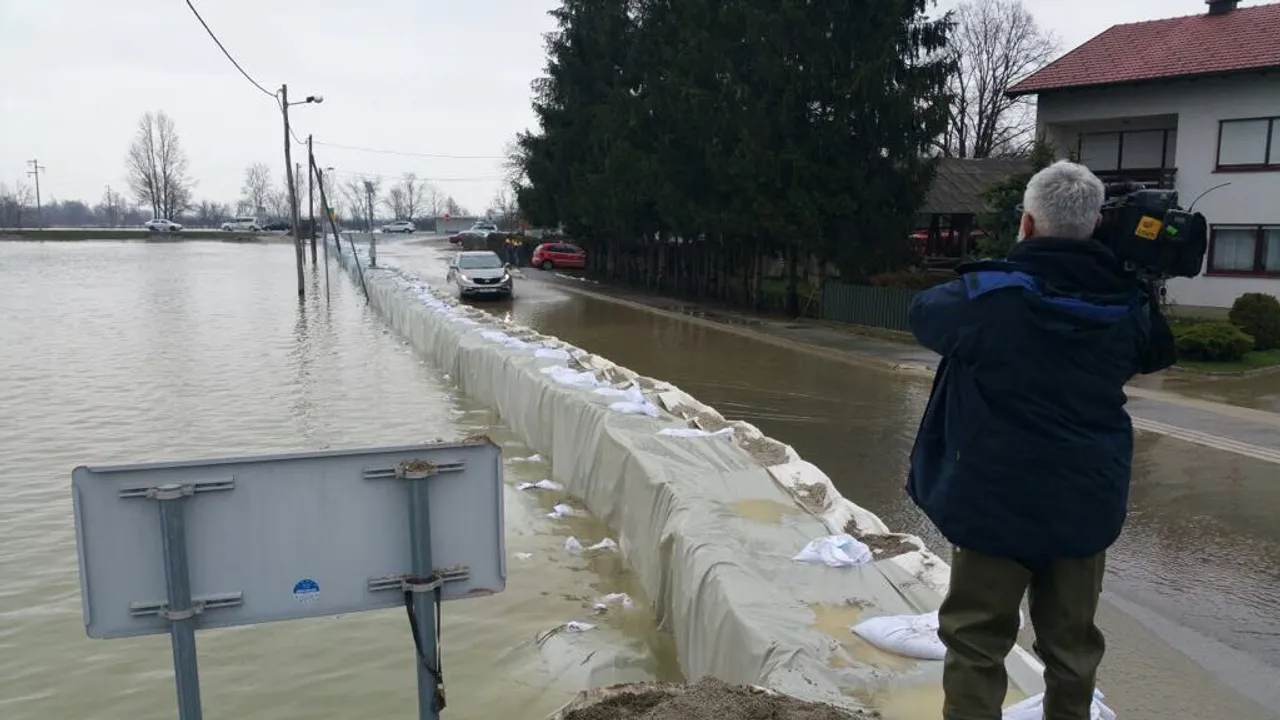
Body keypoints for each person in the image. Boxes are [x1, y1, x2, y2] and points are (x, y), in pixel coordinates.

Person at [906, 160, 1175, 720]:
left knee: (976, 641)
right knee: (1073, 650)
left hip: (993, 502)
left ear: (1026, 224)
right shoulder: (1127, 308)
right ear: (1098, 225)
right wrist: (1136, 276)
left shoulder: (989, 298)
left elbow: (923, 314)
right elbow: (1157, 352)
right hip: (1084, 503)